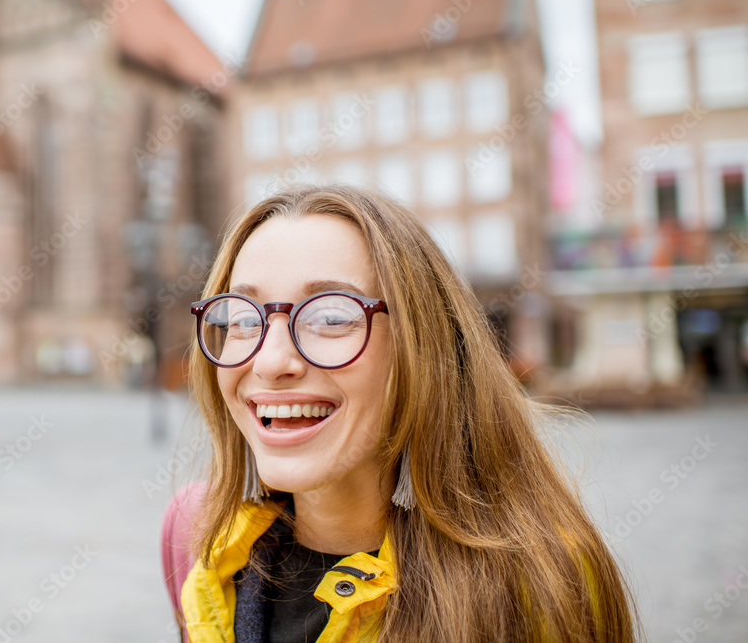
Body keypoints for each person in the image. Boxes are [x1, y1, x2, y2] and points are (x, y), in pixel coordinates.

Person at [162, 185, 639, 642]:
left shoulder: (539, 584)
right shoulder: (196, 536)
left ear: (422, 345)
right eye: (244, 319)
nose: (269, 362)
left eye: (331, 316)